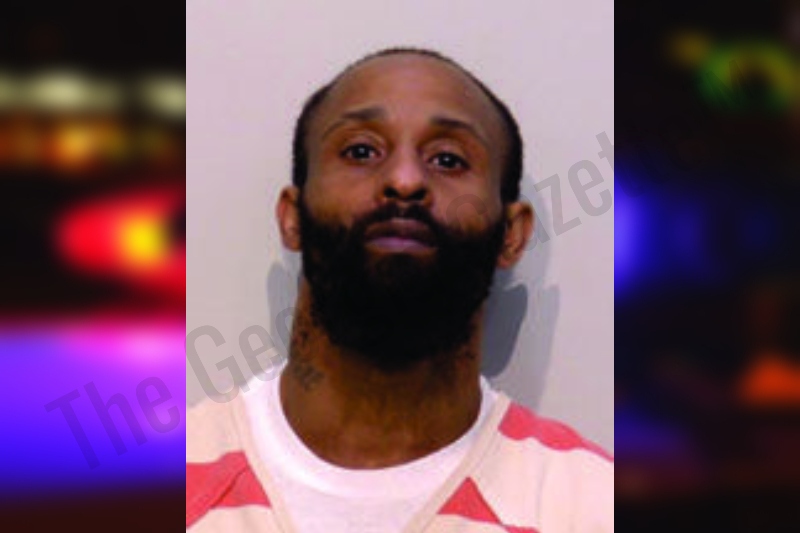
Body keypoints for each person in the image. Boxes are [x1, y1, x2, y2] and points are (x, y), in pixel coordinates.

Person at [186, 47, 613, 533]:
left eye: (448, 159)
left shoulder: (590, 505)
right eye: (360, 151)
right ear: (292, 217)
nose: (404, 180)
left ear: (511, 235)